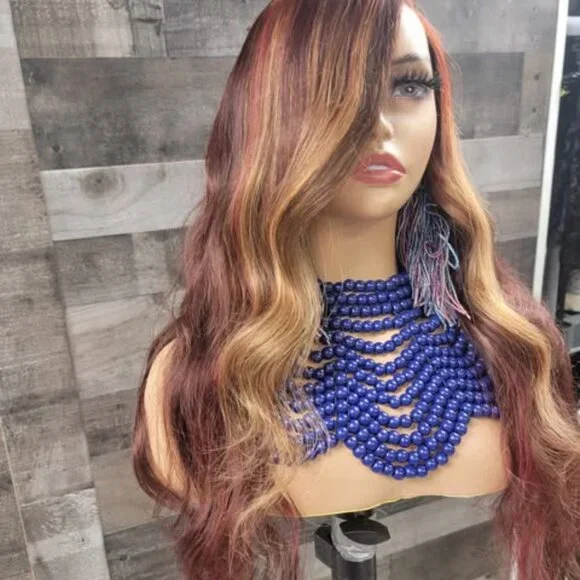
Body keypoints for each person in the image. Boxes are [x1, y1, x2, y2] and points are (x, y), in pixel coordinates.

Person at [131, 1, 580, 579]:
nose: (378, 125)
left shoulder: (508, 343)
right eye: (334, 90)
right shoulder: (192, 379)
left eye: (409, 86)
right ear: (267, 115)